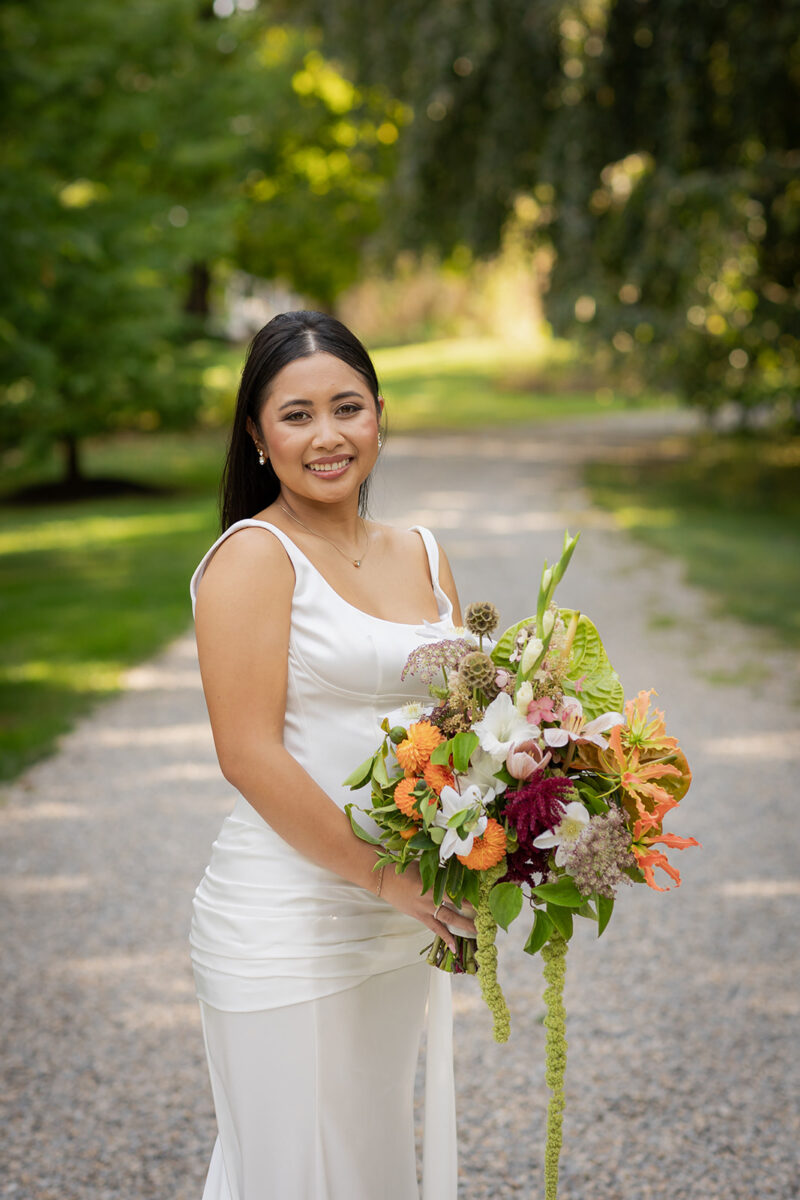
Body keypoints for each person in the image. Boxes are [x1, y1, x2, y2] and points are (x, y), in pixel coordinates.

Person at [189, 310, 475, 1200]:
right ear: (258, 435)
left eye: (347, 407)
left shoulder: (423, 552)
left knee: (367, 1166)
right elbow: (249, 756)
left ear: (379, 415)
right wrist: (389, 879)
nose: (328, 436)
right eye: (297, 414)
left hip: (397, 924)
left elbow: (464, 727)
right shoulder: (254, 557)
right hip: (289, 925)